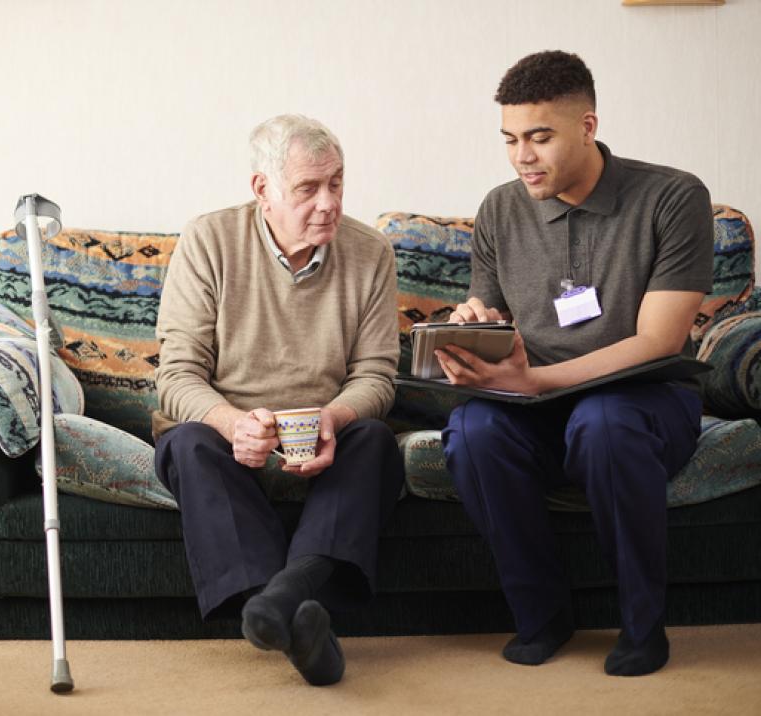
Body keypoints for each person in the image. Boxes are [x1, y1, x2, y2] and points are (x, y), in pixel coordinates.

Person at [438, 51, 714, 677]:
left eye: (539, 137)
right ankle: (543, 615)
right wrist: (475, 327)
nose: (521, 157)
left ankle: (643, 627)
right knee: (473, 432)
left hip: (643, 400)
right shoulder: (500, 209)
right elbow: (498, 317)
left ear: (587, 126)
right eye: (509, 139)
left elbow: (659, 340)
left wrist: (535, 379)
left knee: (604, 422)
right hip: (536, 403)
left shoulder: (673, 197)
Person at [153, 114, 404, 686]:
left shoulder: (370, 253)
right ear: (262, 190)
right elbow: (176, 376)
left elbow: (377, 377)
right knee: (186, 442)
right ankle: (296, 606)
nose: (328, 203)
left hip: (326, 441)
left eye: (336, 183)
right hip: (226, 440)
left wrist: (334, 417)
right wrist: (233, 423)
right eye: (307, 188)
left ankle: (278, 601)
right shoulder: (209, 240)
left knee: (376, 440)